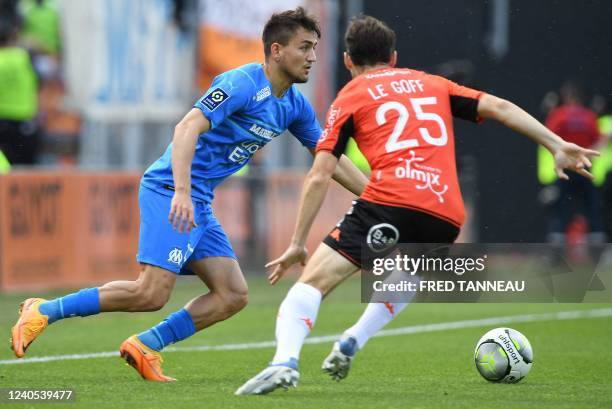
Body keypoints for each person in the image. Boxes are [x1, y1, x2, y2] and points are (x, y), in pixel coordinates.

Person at [235, 15, 599, 395]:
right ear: (393, 57)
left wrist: (297, 241)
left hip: (390, 202)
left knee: (312, 284)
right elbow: (501, 108)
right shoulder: (433, 84)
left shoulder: (351, 95)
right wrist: (555, 143)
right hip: (446, 213)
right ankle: (353, 340)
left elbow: (320, 173)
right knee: (410, 273)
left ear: (347, 61)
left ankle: (284, 362)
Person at [10, 7, 368, 382]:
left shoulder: (295, 106)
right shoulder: (241, 83)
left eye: (315, 48)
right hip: (170, 189)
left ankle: (146, 344)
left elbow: (331, 160)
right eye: (304, 47)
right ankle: (45, 310)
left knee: (232, 294)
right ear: (276, 51)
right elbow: (186, 128)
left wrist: (381, 197)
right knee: (150, 293)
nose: (312, 57)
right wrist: (181, 191)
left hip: (198, 199)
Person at [544, 81, 604, 244]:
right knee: (592, 209)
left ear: (566, 97)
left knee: (561, 210)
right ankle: (596, 251)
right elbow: (599, 143)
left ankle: (557, 254)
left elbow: (547, 138)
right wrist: (583, 156)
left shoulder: (558, 115)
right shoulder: (589, 116)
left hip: (565, 167)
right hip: (585, 166)